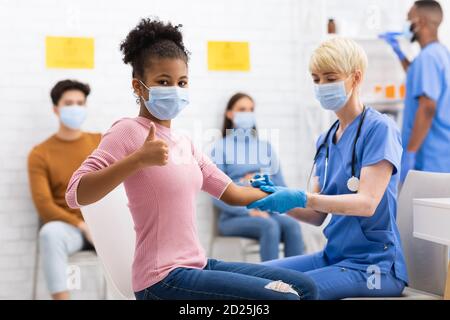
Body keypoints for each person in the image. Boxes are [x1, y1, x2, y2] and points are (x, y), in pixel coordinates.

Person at [65, 18, 317, 301]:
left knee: (306, 287)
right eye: (163, 82)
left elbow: (232, 193)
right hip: (161, 279)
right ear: (138, 87)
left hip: (196, 264)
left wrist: (290, 196)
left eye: (181, 82)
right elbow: (76, 194)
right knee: (282, 298)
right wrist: (137, 160)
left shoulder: (185, 143)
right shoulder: (126, 131)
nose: (175, 89)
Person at [247, 37, 408, 300]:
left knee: (284, 293)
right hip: (332, 257)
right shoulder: (325, 139)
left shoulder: (380, 129)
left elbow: (367, 203)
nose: (322, 86)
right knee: (247, 278)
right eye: (316, 79)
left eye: (330, 77)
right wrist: (277, 198)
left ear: (355, 78)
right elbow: (316, 215)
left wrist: (302, 196)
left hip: (374, 267)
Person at [28, 80, 101, 300]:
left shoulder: (101, 142)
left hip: (104, 227)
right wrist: (82, 225)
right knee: (50, 233)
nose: (76, 108)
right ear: (56, 109)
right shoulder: (40, 154)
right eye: (69, 103)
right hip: (71, 230)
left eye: (80, 103)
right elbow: (44, 205)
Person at [211, 93, 304, 262]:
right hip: (234, 218)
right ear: (230, 114)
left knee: (293, 226)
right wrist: (248, 208)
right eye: (242, 109)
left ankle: (296, 281)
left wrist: (262, 182)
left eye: (251, 109)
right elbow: (216, 193)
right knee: (270, 226)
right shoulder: (220, 148)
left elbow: (281, 185)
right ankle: (271, 284)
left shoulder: (265, 147)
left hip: (267, 212)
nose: (248, 113)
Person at [381, 0, 450, 182]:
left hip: (428, 159)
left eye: (408, 18)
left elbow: (427, 108)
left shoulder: (428, 57)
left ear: (420, 22)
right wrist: (400, 55)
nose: (406, 24)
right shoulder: (439, 53)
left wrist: (410, 153)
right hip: (442, 156)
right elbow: (418, 78)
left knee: (423, 210)